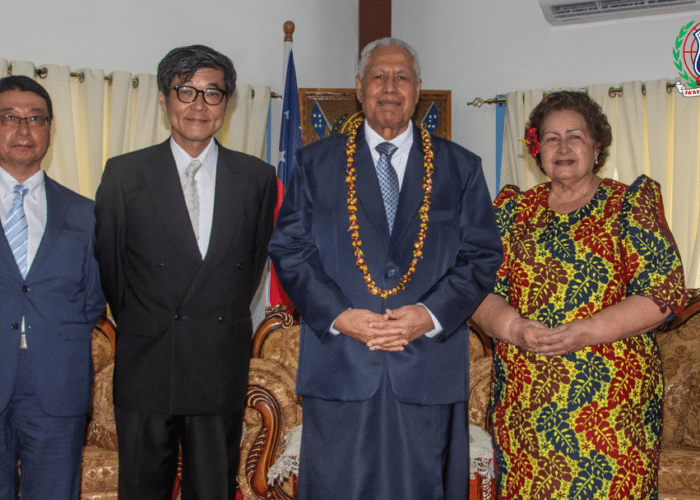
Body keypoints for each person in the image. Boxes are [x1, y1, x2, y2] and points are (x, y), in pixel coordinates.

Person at [268, 38, 503, 499]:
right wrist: (339, 316)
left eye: (401, 77)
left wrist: (428, 316)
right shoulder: (315, 164)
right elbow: (290, 249)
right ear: (359, 87)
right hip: (341, 365)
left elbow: (481, 255)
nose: (389, 87)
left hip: (428, 368)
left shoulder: (461, 167)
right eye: (379, 76)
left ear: (418, 90)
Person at [471, 90, 685, 499]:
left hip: (612, 411)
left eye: (575, 136)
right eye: (551, 138)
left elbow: (661, 293)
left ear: (596, 145)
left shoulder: (629, 205)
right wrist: (513, 328)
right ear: (538, 149)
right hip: (526, 408)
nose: (563, 147)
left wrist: (584, 332)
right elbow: (479, 292)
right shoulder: (513, 211)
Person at [95, 45, 277, 499]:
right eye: (185, 91)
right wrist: (149, 320)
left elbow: (248, 269)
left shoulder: (256, 178)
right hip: (147, 362)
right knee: (141, 489)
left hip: (218, 363)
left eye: (212, 93)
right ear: (164, 99)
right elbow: (112, 271)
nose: (198, 105)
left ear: (227, 104)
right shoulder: (124, 174)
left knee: (213, 489)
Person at [0, 75, 105, 499]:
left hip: (55, 383)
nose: (24, 129)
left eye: (36, 119)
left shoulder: (85, 213)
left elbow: (93, 298)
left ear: (50, 129)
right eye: (9, 117)